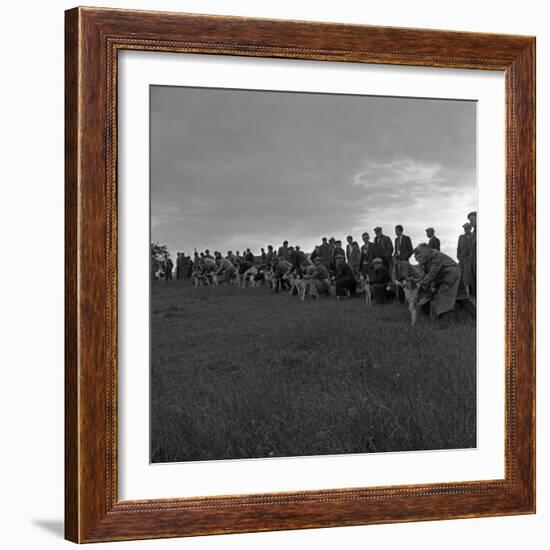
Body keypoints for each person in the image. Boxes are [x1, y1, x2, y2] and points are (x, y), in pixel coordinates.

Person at [413, 243, 469, 318]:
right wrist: (419, 281)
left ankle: (445, 319)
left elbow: (432, 274)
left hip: (451, 275)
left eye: (419, 259)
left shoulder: (435, 255)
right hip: (448, 275)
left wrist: (421, 285)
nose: (419, 262)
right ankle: (475, 315)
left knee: (443, 297)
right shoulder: (427, 258)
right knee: (461, 297)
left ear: (423, 253)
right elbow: (425, 274)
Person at [457, 222, 475, 296]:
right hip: (463, 260)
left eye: (467, 228)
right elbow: (458, 248)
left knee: (471, 278)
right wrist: (458, 256)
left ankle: (473, 294)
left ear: (470, 228)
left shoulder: (474, 236)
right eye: (465, 228)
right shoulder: (461, 237)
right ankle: (463, 295)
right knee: (462, 278)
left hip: (471, 260)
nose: (466, 230)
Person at [467, 211, 477, 298]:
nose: (471, 222)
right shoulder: (474, 233)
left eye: (472, 219)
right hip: (473, 263)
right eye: (470, 220)